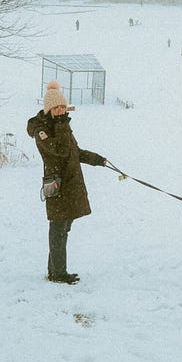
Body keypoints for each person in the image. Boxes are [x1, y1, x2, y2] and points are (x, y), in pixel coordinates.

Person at [26, 81, 108, 285]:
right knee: (58, 229)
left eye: (63, 106)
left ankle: (55, 270)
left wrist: (97, 159)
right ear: (49, 109)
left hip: (71, 184)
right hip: (58, 186)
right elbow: (60, 152)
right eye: (56, 107)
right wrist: (62, 124)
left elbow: (74, 152)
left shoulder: (61, 125)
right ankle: (58, 273)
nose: (61, 110)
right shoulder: (42, 131)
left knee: (64, 228)